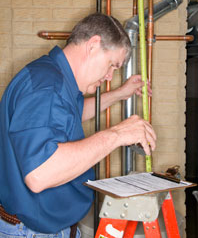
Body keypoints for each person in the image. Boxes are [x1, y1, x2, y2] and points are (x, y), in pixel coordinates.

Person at [0, 13, 156, 238]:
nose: (110, 76)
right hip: (33, 232)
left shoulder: (53, 76)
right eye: (112, 65)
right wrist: (118, 134)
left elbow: (69, 115)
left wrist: (121, 94)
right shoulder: (47, 86)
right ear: (93, 45)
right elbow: (39, 174)